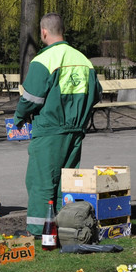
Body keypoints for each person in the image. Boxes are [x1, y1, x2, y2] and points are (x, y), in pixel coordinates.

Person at [14, 12, 102, 235]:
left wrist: (18, 117)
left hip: (49, 130)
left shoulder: (44, 60)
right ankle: (67, 228)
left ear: (44, 32)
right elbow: (97, 93)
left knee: (41, 182)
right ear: (62, 30)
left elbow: (31, 98)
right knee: (67, 182)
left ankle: (38, 230)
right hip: (76, 130)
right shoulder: (83, 60)